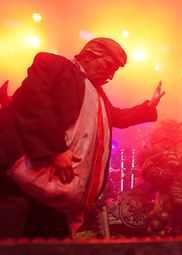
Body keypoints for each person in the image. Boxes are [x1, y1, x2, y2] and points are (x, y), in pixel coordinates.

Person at [0, 37, 165, 239]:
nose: (111, 76)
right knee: (10, 233)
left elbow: (116, 116)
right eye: (109, 66)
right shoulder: (54, 65)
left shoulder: (96, 91)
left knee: (50, 240)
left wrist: (149, 108)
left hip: (59, 188)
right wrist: (57, 149)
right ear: (89, 55)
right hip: (24, 174)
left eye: (115, 71)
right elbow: (35, 103)